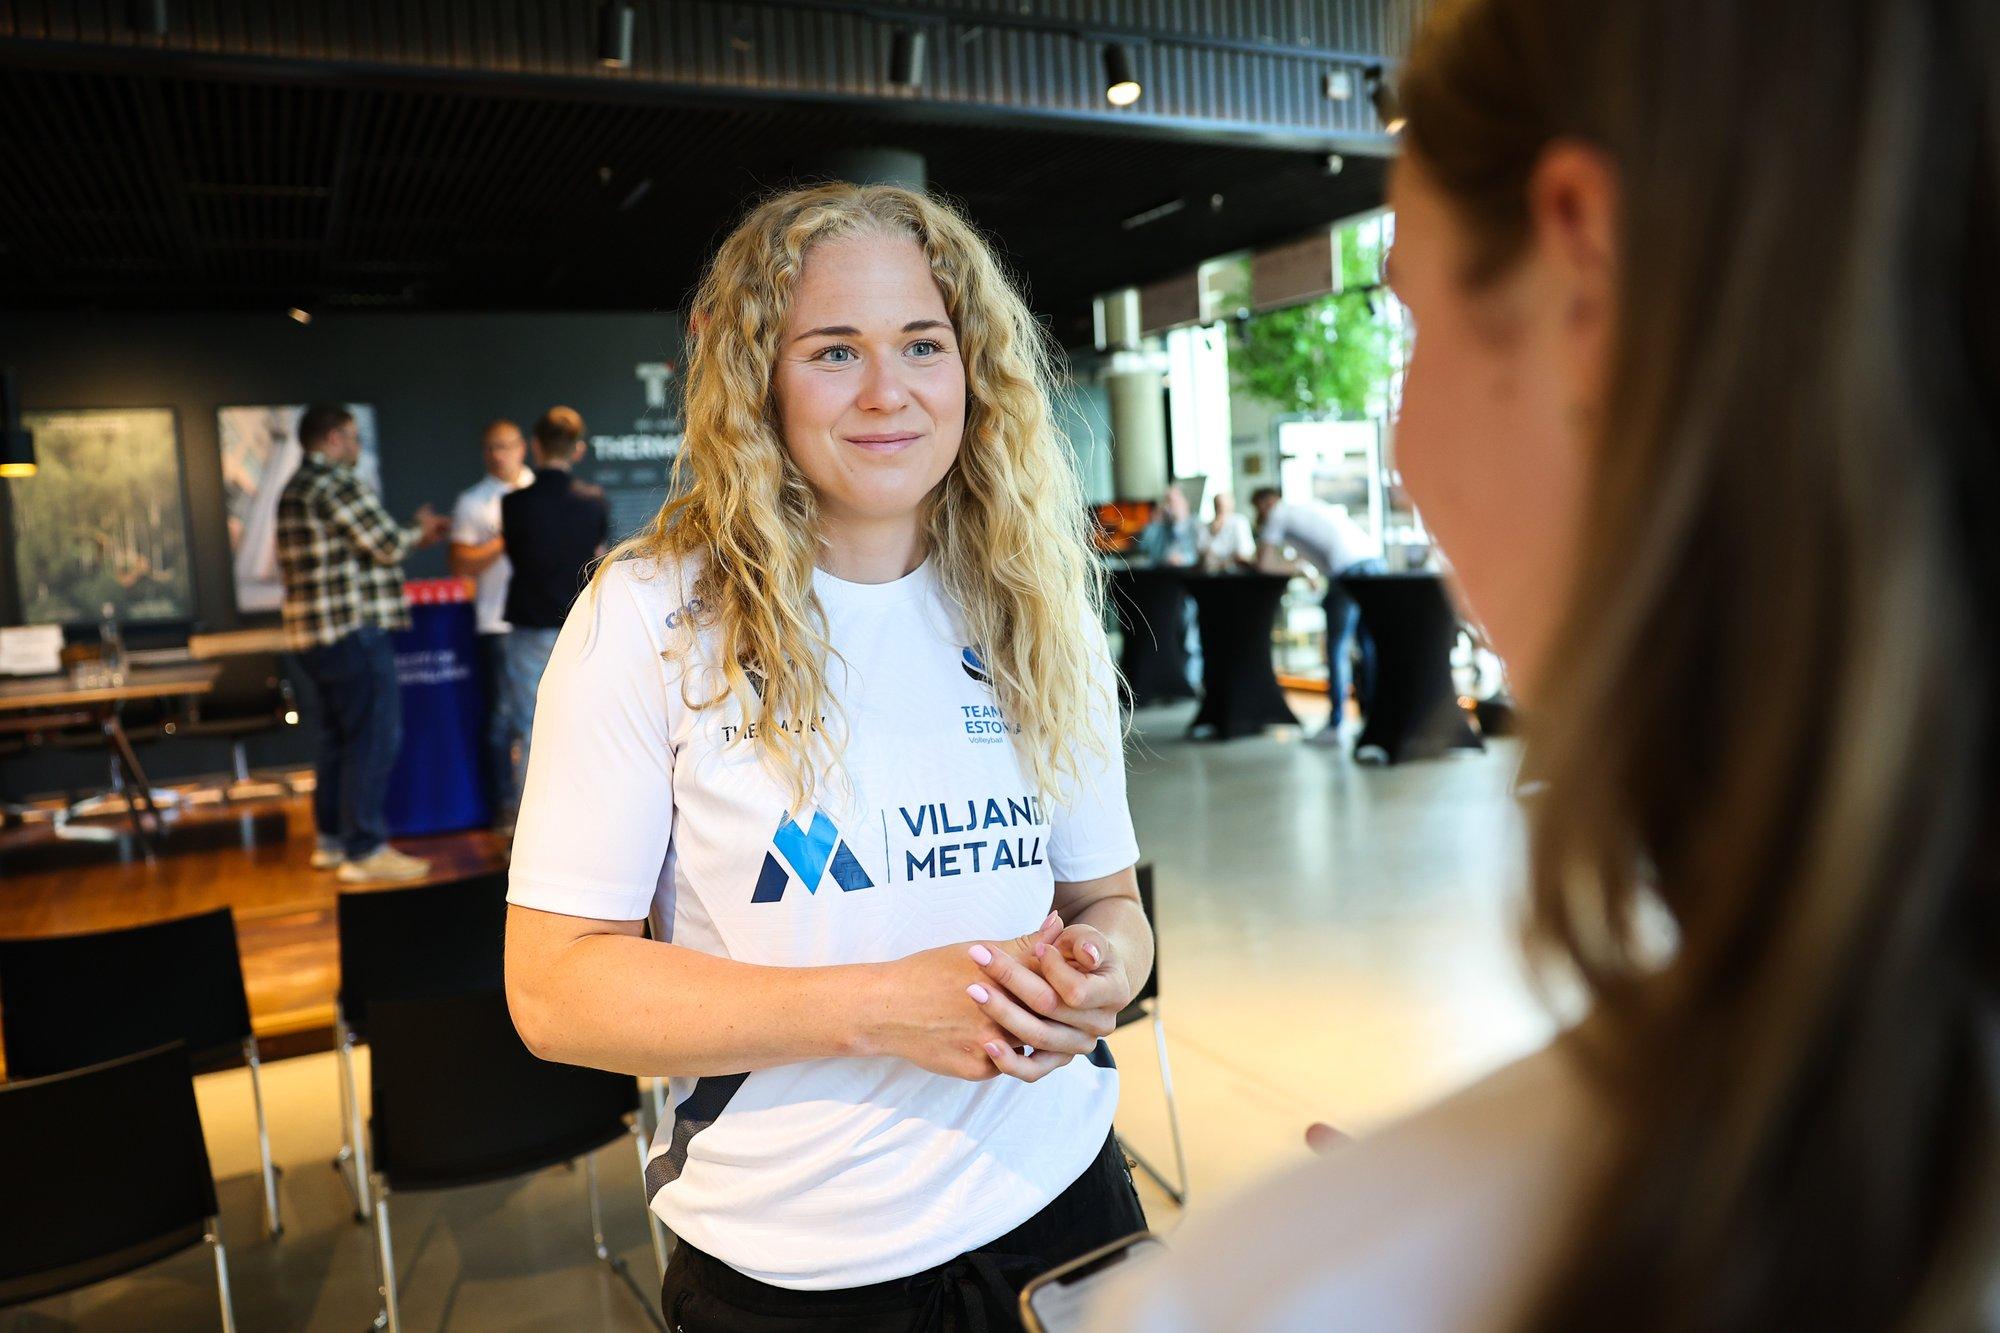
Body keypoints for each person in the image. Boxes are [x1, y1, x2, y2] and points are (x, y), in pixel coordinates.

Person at [1092, 0, 2000, 1329]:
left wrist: (1398, 1244)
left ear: (1587, 280)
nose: (1406, 443)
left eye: (1413, 320)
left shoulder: (1277, 1295)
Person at [503, 183, 1152, 1330]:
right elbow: (553, 990)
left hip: (1067, 1203)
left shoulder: (1033, 606)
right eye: (834, 351)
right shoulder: (647, 616)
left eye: (922, 344)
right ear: (759, 378)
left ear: (972, 369)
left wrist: (1100, 971)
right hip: (798, 1268)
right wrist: (875, 1008)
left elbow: (1109, 902)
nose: (888, 391)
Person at [276, 402, 451, 883]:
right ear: (333, 438)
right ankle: (365, 849)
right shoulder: (334, 481)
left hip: (312, 636)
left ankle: (333, 841)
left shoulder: (295, 487)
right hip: (351, 630)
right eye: (352, 437)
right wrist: (422, 531)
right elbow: (386, 544)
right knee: (374, 737)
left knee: (336, 739)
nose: (357, 446)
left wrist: (410, 533)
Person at [499, 406, 608, 790]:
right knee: (585, 726)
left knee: (531, 728)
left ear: (535, 446)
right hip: (582, 628)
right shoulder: (594, 500)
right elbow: (598, 559)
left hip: (531, 624)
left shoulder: (514, 503)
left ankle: (528, 821)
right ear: (577, 450)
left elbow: (515, 555)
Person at [448, 418, 533, 827]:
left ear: (523, 448)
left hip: (547, 619)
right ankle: (505, 807)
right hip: (497, 622)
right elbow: (461, 562)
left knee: (550, 714)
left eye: (506, 446)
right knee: (502, 718)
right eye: (492, 448)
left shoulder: (541, 489)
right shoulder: (473, 501)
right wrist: (507, 537)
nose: (500, 455)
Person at [1251, 488, 1387, 741]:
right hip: (1373, 561)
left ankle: (1336, 724)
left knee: (1336, 647)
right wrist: (1304, 570)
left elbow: (1263, 564)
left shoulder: (1278, 514)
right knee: (1368, 645)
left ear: (1266, 503)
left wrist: (1296, 570)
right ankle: (1374, 722)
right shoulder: (1305, 508)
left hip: (1347, 570)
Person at [1135, 483, 1201, 566]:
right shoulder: (1160, 527)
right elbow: (1143, 549)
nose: (1167, 507)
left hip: (1188, 571)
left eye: (1172, 501)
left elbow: (1199, 555)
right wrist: (1155, 520)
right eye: (1166, 501)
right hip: (1162, 570)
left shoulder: (1197, 525)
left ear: (1186, 502)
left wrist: (1183, 559)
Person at [1199, 491, 1256, 572]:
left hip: (1233, 572)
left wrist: (1220, 564)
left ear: (1232, 506)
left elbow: (1244, 554)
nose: (1221, 509)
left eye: (1224, 506)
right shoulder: (1205, 527)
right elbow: (1201, 553)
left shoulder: (1239, 522)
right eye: (1218, 505)